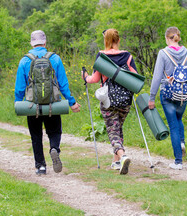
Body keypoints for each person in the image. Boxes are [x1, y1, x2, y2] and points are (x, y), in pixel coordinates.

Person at [15, 30, 81, 175]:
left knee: (36, 135)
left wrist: (18, 103)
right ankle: (54, 149)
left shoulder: (25, 60)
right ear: (45, 42)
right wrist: (72, 102)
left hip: (32, 105)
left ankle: (41, 167)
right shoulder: (55, 59)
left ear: (31, 43)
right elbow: (63, 84)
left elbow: (20, 87)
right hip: (53, 104)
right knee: (55, 131)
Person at [81, 29, 138, 175]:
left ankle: (123, 155)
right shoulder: (127, 56)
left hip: (109, 100)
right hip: (125, 100)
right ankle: (116, 161)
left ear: (105, 41)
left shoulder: (102, 56)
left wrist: (85, 76)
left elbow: (94, 79)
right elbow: (135, 76)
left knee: (113, 131)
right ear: (118, 40)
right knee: (117, 128)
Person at [148, 27, 187, 170]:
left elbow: (157, 77)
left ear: (167, 38)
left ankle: (178, 162)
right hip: (183, 95)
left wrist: (152, 98)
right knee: (178, 119)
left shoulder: (163, 54)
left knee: (173, 125)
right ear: (178, 37)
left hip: (168, 94)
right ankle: (181, 143)